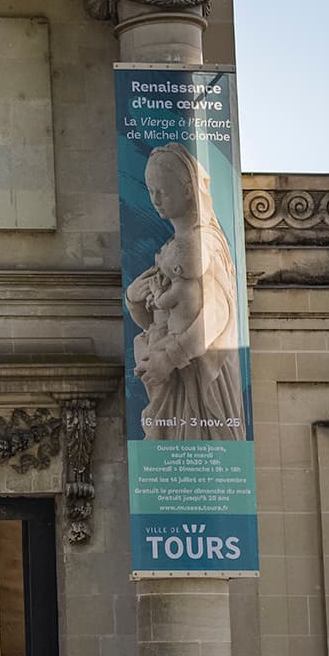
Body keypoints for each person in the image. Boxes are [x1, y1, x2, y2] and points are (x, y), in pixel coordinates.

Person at [124, 142, 246, 442]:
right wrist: (134, 299)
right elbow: (156, 320)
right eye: (150, 190)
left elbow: (217, 315)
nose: (155, 199)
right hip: (176, 377)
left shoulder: (203, 246)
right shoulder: (170, 251)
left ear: (189, 189)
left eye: (163, 190)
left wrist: (171, 357)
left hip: (201, 382)